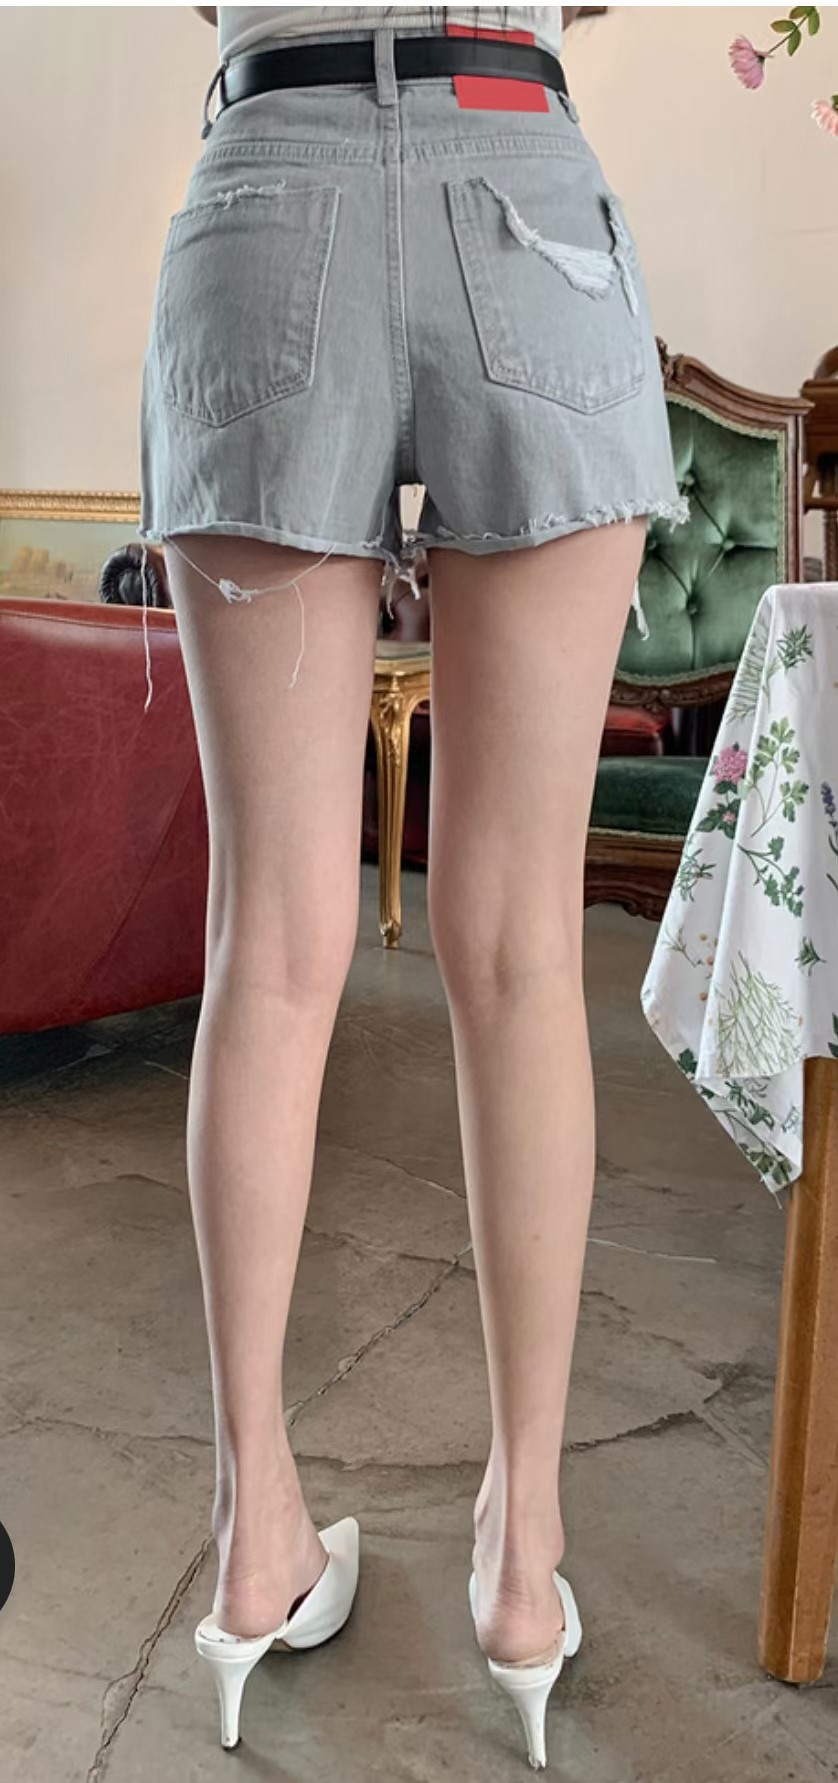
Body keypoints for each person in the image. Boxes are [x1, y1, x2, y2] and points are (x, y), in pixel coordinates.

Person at [136, 6, 689, 1766]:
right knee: (519, 950)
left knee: (272, 947)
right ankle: (520, 1566)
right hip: (515, 163)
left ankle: (255, 1541)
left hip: (266, 178)